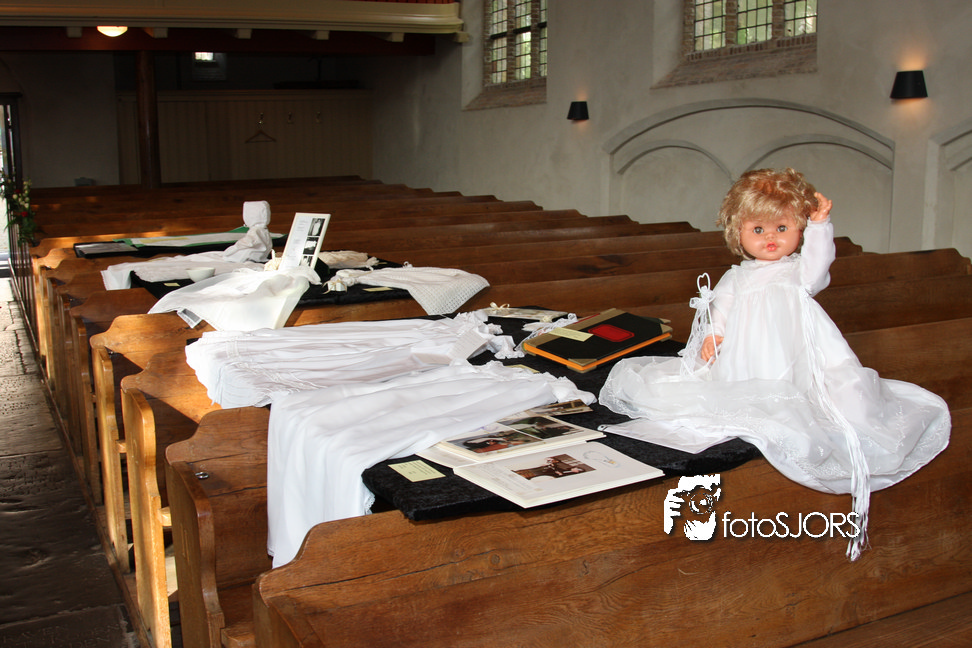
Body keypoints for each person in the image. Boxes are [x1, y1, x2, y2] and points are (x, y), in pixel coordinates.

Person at [599, 168, 951, 560]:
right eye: (759, 229)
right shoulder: (736, 277)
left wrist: (820, 226)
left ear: (798, 228)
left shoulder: (798, 273)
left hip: (794, 351)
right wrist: (713, 335)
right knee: (744, 393)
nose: (771, 238)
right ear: (738, 232)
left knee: (834, 395)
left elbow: (819, 266)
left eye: (783, 228)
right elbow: (720, 311)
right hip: (746, 357)